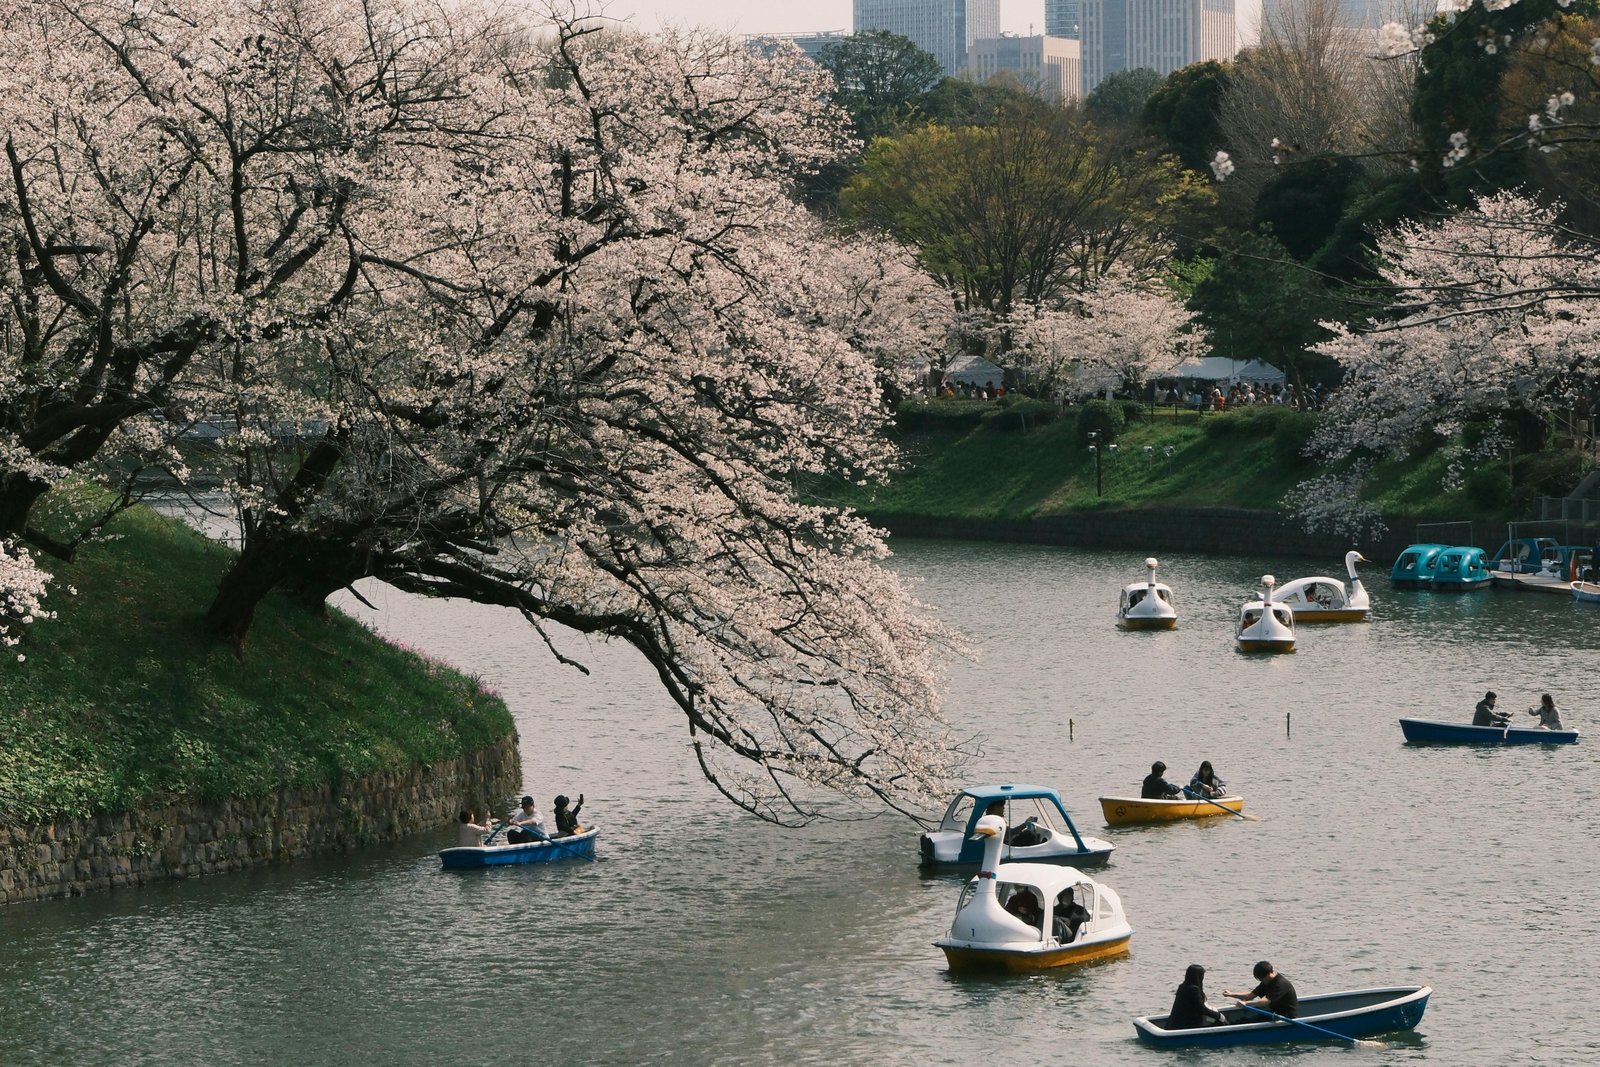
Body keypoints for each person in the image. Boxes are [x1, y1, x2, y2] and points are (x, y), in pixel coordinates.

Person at [1224, 960, 1299, 1018]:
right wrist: (1231, 994)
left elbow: (1265, 1002)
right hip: (1275, 1014)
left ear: (1268, 974)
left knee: (1253, 1021)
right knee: (1245, 1020)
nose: (1261, 981)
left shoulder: (1280, 984)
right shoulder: (1267, 981)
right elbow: (1250, 996)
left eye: (1261, 979)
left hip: (1287, 1017)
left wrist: (1246, 1003)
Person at [1167, 964, 1227, 1030]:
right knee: (1220, 1021)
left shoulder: (1182, 987)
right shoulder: (1193, 989)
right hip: (1186, 1025)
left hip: (1174, 1024)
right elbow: (1202, 1009)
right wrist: (1219, 1016)